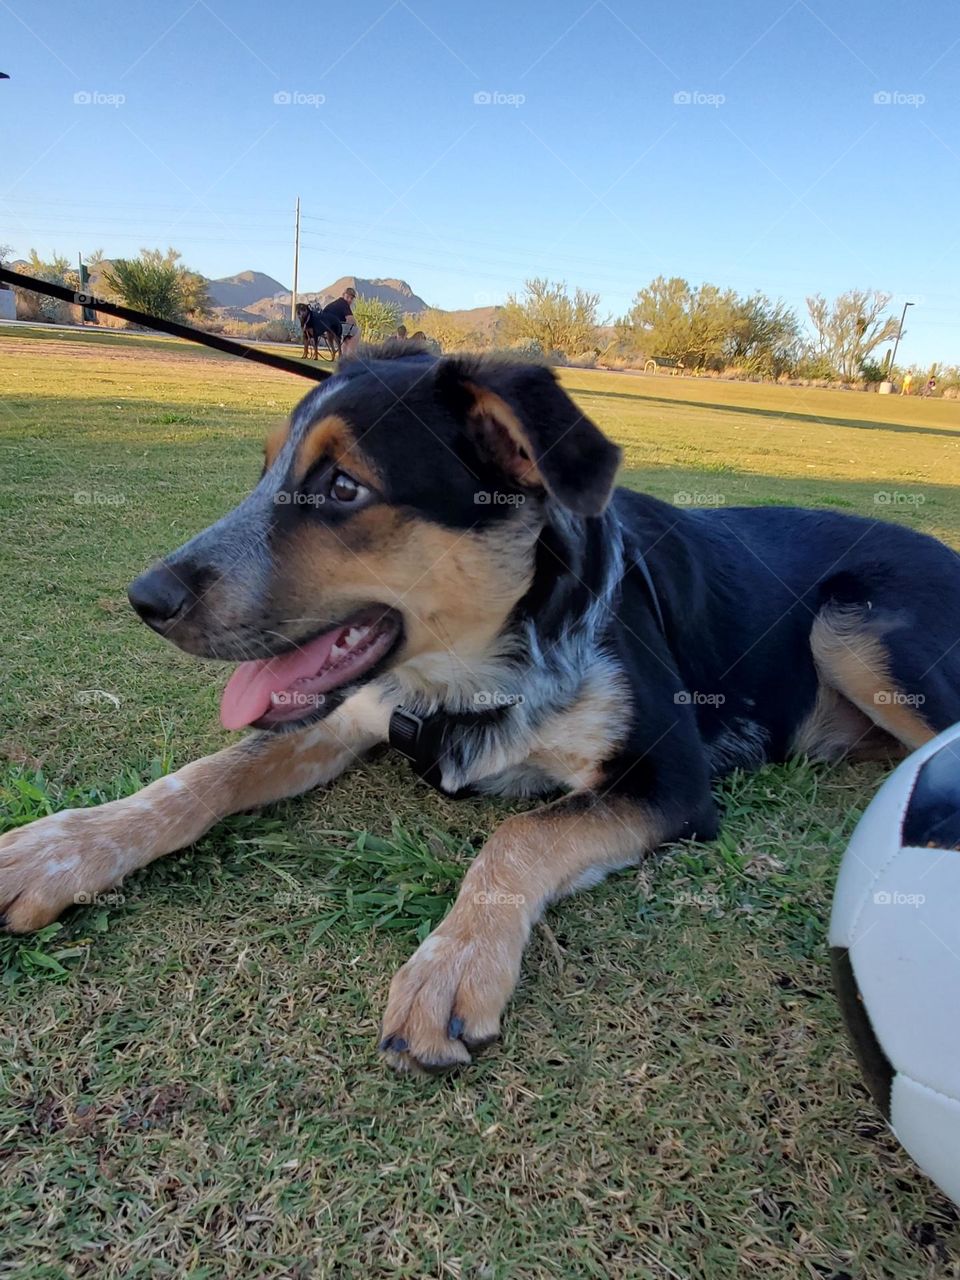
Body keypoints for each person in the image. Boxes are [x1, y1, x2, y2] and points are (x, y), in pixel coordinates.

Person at [317, 287, 359, 356]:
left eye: (351, 298)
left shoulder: (336, 303)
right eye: (347, 297)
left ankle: (337, 352)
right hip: (333, 327)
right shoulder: (344, 303)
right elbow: (351, 320)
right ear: (343, 295)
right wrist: (354, 327)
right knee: (356, 331)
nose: (349, 300)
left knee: (341, 330)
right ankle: (348, 355)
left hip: (324, 326)